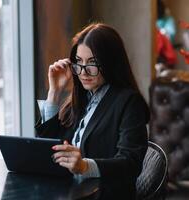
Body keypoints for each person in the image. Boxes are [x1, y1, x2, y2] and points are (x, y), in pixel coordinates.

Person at [35, 23, 149, 198]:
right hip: (70, 192)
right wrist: (54, 93)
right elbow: (50, 148)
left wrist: (85, 166)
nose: (83, 72)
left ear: (110, 63)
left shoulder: (129, 102)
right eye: (79, 62)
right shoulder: (82, 98)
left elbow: (131, 163)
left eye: (92, 63)